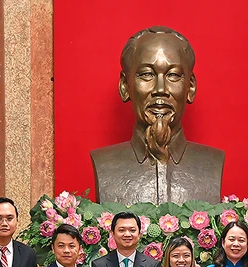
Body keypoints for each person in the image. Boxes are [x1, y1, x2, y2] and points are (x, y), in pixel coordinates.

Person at [90, 26, 224, 205]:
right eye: (147, 74)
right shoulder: (104, 163)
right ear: (124, 85)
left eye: (173, 75)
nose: (160, 89)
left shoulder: (212, 162)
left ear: (190, 87)